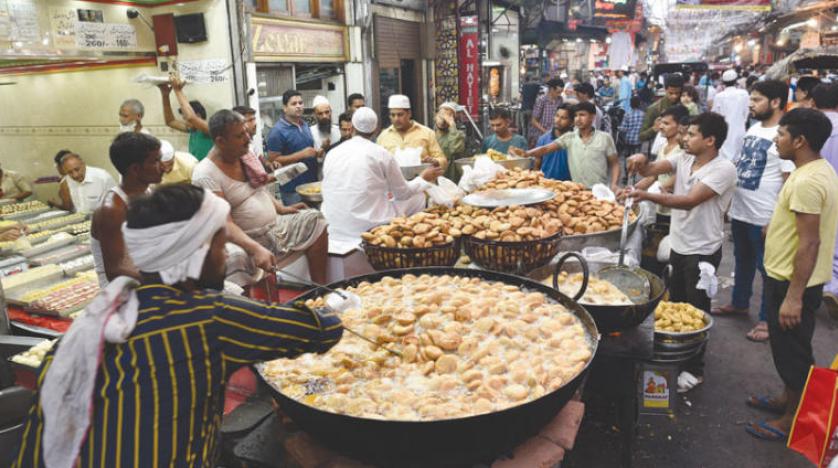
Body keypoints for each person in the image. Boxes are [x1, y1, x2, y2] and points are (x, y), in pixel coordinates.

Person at [14, 184, 342, 467]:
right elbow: (319, 330)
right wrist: (342, 305)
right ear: (195, 253)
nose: (225, 257)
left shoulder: (92, 325)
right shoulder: (208, 316)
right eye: (218, 246)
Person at [745, 108, 838, 442]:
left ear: (800, 141)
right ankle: (788, 399)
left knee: (794, 354)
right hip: (788, 277)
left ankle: (793, 419)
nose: (776, 139)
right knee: (788, 350)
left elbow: (810, 242)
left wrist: (793, 297)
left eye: (782, 134)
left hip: (792, 282)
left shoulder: (807, 181)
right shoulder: (814, 170)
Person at [627, 112, 737, 392]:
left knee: (697, 310)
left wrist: (646, 195)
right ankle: (675, 357)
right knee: (676, 306)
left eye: (691, 134)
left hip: (702, 251)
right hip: (679, 244)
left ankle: (694, 369)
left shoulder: (723, 169)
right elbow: (654, 168)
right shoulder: (685, 157)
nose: (684, 138)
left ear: (710, 140)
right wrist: (642, 163)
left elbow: (689, 201)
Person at [194, 110, 329, 284]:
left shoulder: (244, 155)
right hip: (246, 240)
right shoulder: (205, 174)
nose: (248, 139)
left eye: (246, 132)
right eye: (240, 135)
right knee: (235, 258)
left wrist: (282, 209)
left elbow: (259, 188)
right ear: (221, 141)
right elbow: (224, 224)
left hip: (274, 229)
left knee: (315, 219)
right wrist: (255, 248)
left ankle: (320, 288)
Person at [711, 80, 795, 343]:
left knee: (767, 270)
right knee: (742, 261)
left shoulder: (784, 135)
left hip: (766, 215)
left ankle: (767, 320)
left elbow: (787, 179)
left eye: (757, 100)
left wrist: (777, 220)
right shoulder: (755, 127)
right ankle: (739, 303)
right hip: (742, 211)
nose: (751, 105)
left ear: (776, 102)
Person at [322, 107, 442, 246]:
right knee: (418, 196)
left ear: (352, 127)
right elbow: (403, 193)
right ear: (375, 129)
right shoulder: (381, 154)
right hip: (370, 225)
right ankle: (411, 243)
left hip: (333, 225)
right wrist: (422, 178)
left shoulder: (333, 153)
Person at [90, 132, 163, 287]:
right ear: (136, 169)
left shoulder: (149, 193)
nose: (162, 167)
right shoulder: (112, 209)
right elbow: (115, 271)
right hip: (123, 293)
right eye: (155, 161)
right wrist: (166, 281)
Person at [517, 101, 619, 191]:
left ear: (592, 117)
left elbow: (615, 164)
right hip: (577, 191)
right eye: (575, 116)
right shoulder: (569, 138)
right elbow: (546, 149)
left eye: (582, 115)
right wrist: (525, 153)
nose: (578, 119)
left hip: (600, 191)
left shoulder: (605, 138)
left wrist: (614, 184)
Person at [266, 90, 321, 205]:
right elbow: (273, 160)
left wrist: (316, 152)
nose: (298, 106)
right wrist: (302, 154)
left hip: (311, 186)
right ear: (285, 108)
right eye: (294, 103)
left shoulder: (304, 125)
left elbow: (307, 152)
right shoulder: (277, 131)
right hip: (292, 189)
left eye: (300, 103)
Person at [811, 83, 838, 318]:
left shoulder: (811, 127)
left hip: (813, 187)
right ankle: (832, 286)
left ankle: (822, 284)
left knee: (814, 238)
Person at [377, 95, 447, 169]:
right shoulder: (383, 137)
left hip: (422, 179)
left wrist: (435, 162)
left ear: (409, 113)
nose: (396, 119)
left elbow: (443, 161)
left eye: (400, 115)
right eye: (393, 115)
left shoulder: (427, 133)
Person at [158, 77, 214, 160]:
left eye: (185, 118)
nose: (185, 121)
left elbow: (191, 118)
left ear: (198, 115)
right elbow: (170, 121)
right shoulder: (193, 130)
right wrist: (165, 95)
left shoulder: (208, 128)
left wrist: (177, 90)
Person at [712, 69, 750, 162]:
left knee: (725, 158)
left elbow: (715, 114)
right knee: (739, 156)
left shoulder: (719, 96)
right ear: (736, 80)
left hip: (724, 130)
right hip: (740, 128)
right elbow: (747, 111)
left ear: (723, 82)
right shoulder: (744, 94)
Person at [233, 105, 274, 188]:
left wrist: (268, 164)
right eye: (250, 120)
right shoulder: (240, 149)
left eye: (254, 119)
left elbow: (258, 155)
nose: (255, 124)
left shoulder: (250, 141)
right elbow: (257, 180)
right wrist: (283, 175)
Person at [639, 74, 684, 142]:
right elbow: (641, 136)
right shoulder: (654, 109)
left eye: (677, 93)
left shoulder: (686, 106)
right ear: (665, 90)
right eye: (671, 93)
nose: (674, 96)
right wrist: (654, 129)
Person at [536, 103, 574, 181]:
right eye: (557, 116)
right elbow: (537, 164)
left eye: (564, 118)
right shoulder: (543, 139)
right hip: (546, 183)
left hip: (569, 186)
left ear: (572, 122)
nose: (558, 120)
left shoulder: (575, 140)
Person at [528, 78, 564, 146]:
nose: (559, 94)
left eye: (561, 92)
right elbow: (534, 121)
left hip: (554, 135)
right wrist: (546, 132)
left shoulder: (560, 100)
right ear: (551, 89)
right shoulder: (541, 100)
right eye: (558, 92)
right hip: (540, 135)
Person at [435, 102, 466, 180]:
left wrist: (452, 125)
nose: (444, 118)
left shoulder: (458, 134)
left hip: (451, 178)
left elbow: (455, 149)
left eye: (448, 115)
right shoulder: (430, 134)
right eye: (441, 114)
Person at [618, 96, 646, 180]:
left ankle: (626, 176)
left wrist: (619, 129)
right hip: (638, 140)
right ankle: (634, 176)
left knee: (627, 158)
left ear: (630, 105)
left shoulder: (627, 114)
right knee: (636, 159)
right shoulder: (643, 115)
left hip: (628, 140)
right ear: (639, 104)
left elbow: (623, 128)